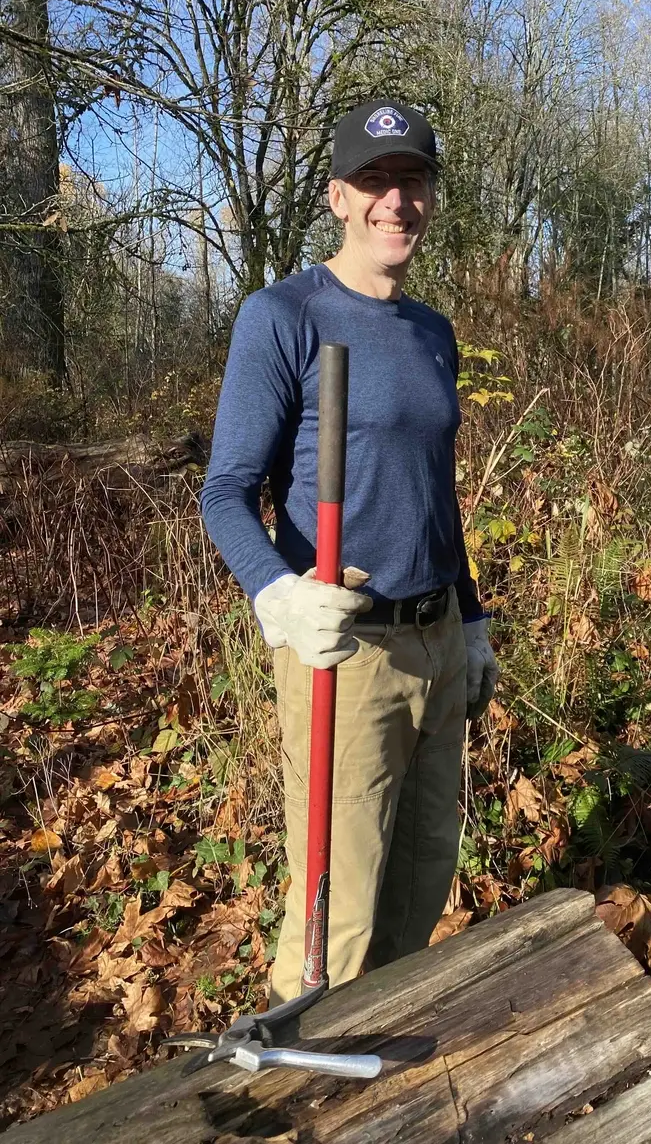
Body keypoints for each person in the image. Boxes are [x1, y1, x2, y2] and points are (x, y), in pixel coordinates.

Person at [200, 99, 498, 1004]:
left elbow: (432, 493)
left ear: (430, 198)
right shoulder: (283, 315)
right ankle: (301, 1088)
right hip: (347, 650)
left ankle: (385, 1084)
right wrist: (278, 593)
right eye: (374, 181)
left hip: (439, 638)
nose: (394, 201)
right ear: (337, 195)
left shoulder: (432, 332)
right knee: (340, 915)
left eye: (411, 181)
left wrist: (473, 620)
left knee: (420, 890)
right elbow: (225, 492)